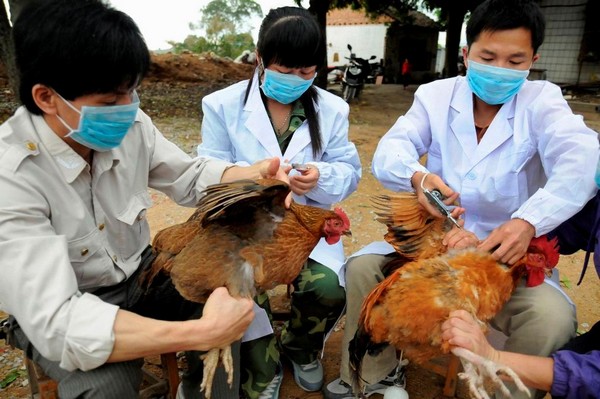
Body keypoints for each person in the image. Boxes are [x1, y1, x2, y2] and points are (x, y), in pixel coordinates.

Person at [0, 0, 291, 397]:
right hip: (70, 303)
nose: (128, 109)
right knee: (109, 386)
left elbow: (188, 176)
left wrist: (251, 175)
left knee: (224, 289)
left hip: (141, 275)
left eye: (131, 92)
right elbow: (58, 320)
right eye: (109, 102)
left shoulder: (132, 125)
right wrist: (199, 331)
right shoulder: (11, 176)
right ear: (47, 97)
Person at [323, 0, 600, 398]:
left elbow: (583, 157)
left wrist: (528, 221)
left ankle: (504, 391)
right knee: (366, 269)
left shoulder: (543, 103)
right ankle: (375, 377)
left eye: (514, 60)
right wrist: (418, 178)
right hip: (435, 244)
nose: (500, 68)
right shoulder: (436, 96)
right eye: (489, 56)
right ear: (467, 54)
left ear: (533, 60)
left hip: (507, 259)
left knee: (551, 319)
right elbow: (391, 149)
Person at [184, 7, 361, 399]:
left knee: (329, 288)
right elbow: (208, 171)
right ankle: (262, 365)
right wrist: (254, 178)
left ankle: (300, 348)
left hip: (301, 228)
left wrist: (321, 176)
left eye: (305, 71)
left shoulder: (333, 110)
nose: (295, 79)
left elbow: (349, 172)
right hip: (243, 227)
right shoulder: (222, 105)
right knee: (241, 285)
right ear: (260, 57)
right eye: (285, 69)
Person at [442, 187, 600, 399]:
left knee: (563, 347)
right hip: (452, 241)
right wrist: (527, 229)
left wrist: (492, 356)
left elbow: (591, 377)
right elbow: (573, 224)